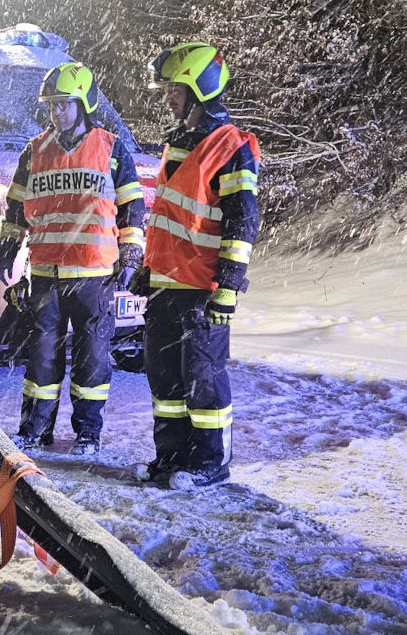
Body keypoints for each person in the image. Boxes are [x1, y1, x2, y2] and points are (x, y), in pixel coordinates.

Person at [0, 62, 146, 456]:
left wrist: (130, 254)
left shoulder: (111, 149)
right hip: (46, 273)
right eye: (51, 105)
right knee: (42, 360)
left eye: (63, 104)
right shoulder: (35, 151)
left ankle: (88, 435)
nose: (56, 112)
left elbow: (132, 208)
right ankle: (34, 430)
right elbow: (14, 208)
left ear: (83, 103)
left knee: (91, 362)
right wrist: (7, 249)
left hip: (95, 276)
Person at [134, 42, 260, 490]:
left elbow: (242, 223)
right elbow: (168, 219)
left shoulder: (231, 147)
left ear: (201, 87)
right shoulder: (178, 144)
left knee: (202, 381)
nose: (168, 95)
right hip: (167, 285)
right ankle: (171, 458)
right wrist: (149, 269)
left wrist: (227, 287)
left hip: (202, 288)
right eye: (167, 86)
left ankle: (211, 463)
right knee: (165, 381)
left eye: (175, 86)